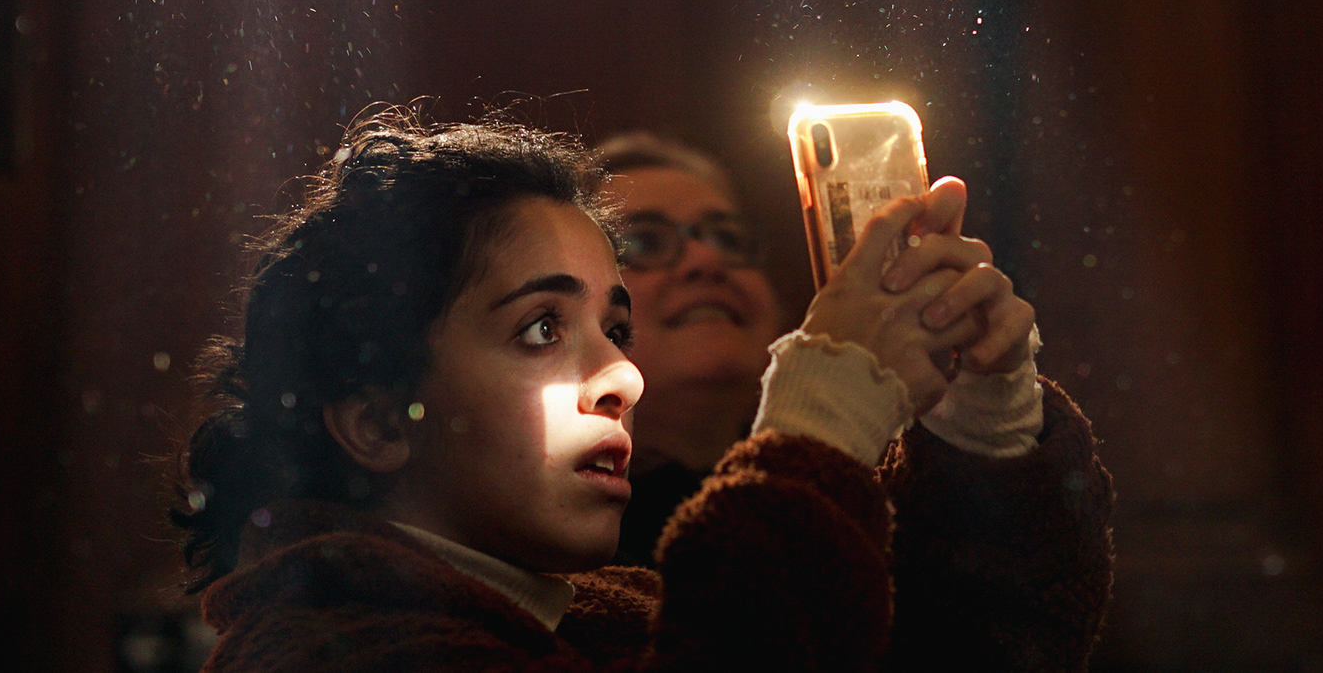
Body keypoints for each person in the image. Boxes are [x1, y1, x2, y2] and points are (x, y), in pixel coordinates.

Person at [176, 107, 1113, 671]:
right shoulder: (319, 649)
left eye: (615, 330)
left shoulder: (606, 614)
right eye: (542, 328)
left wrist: (982, 420)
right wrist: (821, 424)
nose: (623, 374)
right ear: (381, 419)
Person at [592, 133, 786, 565]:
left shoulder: (880, 478)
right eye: (643, 241)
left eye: (727, 239)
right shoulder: (562, 547)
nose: (705, 260)